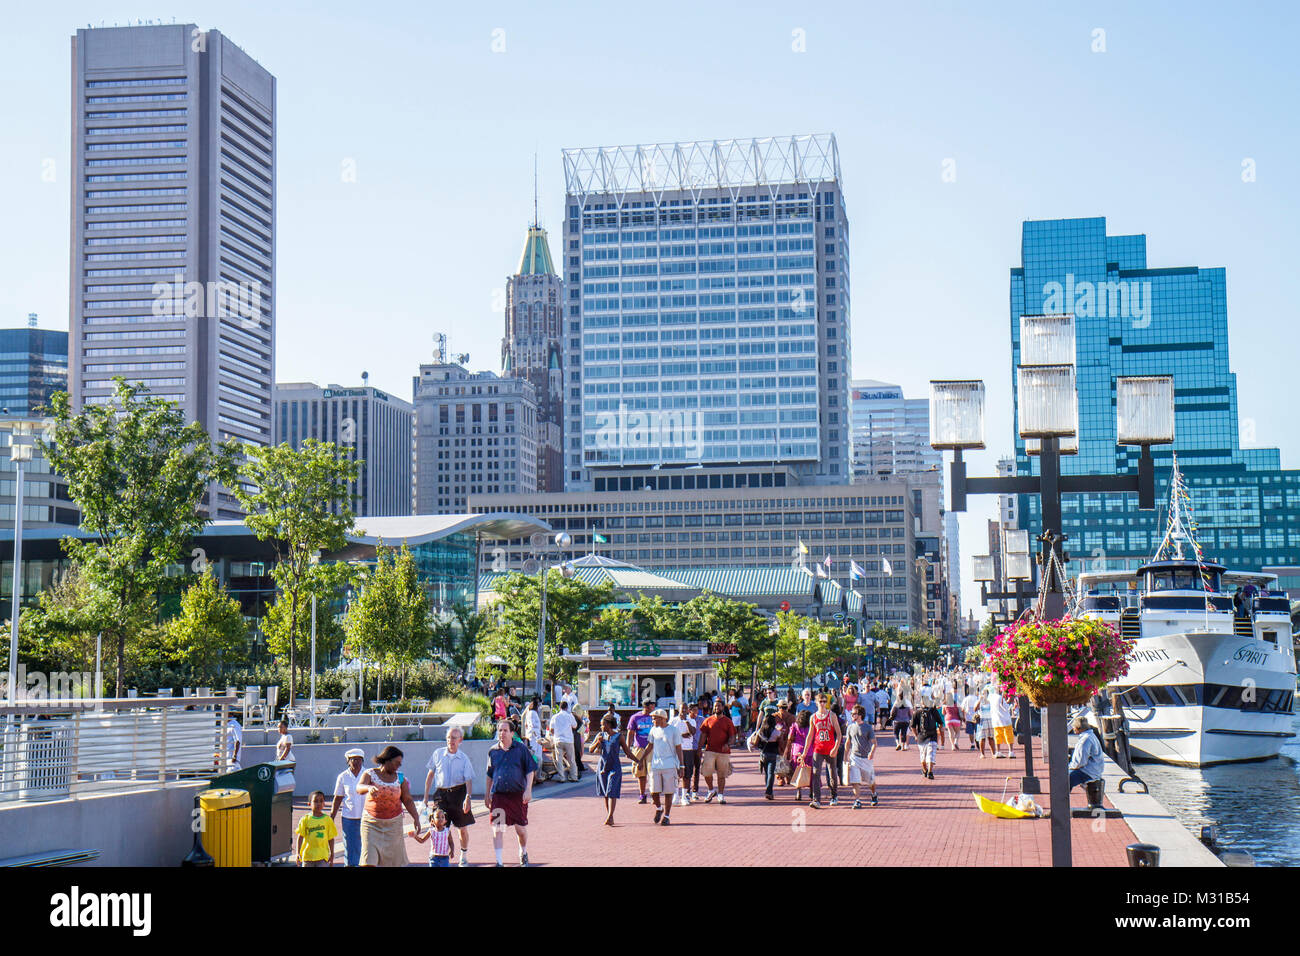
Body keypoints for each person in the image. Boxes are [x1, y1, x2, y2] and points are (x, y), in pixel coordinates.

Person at [356, 745, 422, 867]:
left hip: (393, 825)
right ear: (387, 759)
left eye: (400, 764)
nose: (398, 766)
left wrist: (416, 818)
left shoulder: (400, 778)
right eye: (396, 763)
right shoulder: (369, 773)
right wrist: (368, 787)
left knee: (393, 863)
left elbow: (407, 800)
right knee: (368, 860)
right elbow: (359, 788)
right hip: (371, 824)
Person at [484, 719, 537, 867]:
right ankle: (499, 861)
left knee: (520, 829)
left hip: (517, 795)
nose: (502, 733)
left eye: (505, 730)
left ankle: (523, 851)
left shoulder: (521, 749)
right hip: (499, 796)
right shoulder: (493, 751)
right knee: (498, 829)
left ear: (512, 733)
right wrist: (487, 794)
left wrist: (528, 790)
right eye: (500, 730)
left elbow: (530, 770)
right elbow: (489, 774)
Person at [422, 725, 476, 866]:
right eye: (448, 738)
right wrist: (425, 797)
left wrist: (468, 798)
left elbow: (468, 780)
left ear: (460, 740)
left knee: (462, 828)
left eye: (453, 738)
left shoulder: (464, 759)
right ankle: (437, 857)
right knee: (438, 826)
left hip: (459, 794)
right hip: (441, 795)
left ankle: (463, 855)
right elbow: (430, 775)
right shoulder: (437, 754)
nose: (450, 741)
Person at [589, 713, 638, 825]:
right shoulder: (600, 735)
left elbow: (627, 752)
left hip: (614, 766)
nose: (601, 727)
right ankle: (610, 815)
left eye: (603, 725)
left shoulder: (619, 737)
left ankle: (610, 815)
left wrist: (638, 761)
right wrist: (598, 742)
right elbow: (591, 750)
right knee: (606, 793)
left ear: (609, 724)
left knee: (612, 791)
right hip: (603, 766)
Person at [642, 708, 684, 825]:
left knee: (668, 792)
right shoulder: (653, 730)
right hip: (656, 765)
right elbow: (650, 746)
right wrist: (641, 760)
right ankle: (659, 808)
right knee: (653, 791)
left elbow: (679, 749)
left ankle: (666, 816)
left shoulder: (673, 730)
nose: (652, 720)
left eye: (654, 718)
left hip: (670, 765)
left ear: (662, 718)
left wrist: (682, 765)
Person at [330, 748, 366, 867]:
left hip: (366, 816)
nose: (356, 762)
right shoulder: (343, 776)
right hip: (349, 817)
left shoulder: (368, 775)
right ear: (348, 761)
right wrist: (332, 816)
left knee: (365, 845)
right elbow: (338, 798)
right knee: (350, 846)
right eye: (353, 759)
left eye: (359, 760)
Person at [807, 693, 841, 809]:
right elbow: (810, 735)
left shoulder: (832, 715)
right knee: (815, 773)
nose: (822, 703)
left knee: (832, 773)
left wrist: (835, 748)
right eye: (820, 701)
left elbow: (839, 734)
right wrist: (804, 752)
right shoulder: (813, 717)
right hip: (818, 748)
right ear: (816, 702)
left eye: (824, 701)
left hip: (830, 749)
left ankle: (834, 795)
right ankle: (816, 799)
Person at [699, 699, 736, 804]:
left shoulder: (728, 721)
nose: (717, 708)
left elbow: (733, 737)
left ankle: (720, 794)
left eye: (719, 706)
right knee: (706, 772)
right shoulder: (708, 720)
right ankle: (711, 790)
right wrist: (699, 748)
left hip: (723, 752)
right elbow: (703, 735)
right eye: (715, 706)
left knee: (721, 774)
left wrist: (727, 744)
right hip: (710, 750)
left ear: (722, 707)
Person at [844, 704, 878, 808]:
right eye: (851, 714)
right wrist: (846, 756)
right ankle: (857, 800)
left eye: (854, 714)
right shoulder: (850, 727)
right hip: (855, 757)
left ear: (860, 715)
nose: (852, 715)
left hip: (866, 758)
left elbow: (874, 743)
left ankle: (873, 794)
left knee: (870, 781)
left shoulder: (867, 727)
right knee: (855, 781)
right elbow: (848, 742)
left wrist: (871, 752)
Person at [624, 699, 656, 804]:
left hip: (653, 747)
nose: (653, 708)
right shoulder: (635, 717)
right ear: (645, 707)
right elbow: (630, 733)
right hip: (639, 747)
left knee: (653, 772)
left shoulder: (655, 717)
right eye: (651, 706)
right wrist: (627, 748)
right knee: (640, 772)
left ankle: (654, 794)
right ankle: (642, 795)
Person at [296, 790, 337, 867]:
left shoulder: (327, 820)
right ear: (309, 804)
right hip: (308, 856)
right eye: (315, 801)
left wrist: (332, 854)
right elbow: (300, 837)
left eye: (321, 801)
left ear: (324, 803)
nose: (318, 804)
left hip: (322, 856)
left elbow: (331, 838)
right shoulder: (305, 819)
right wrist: (298, 853)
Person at [669, 705, 697, 806]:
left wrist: (686, 721)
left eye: (686, 709)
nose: (684, 711)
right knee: (676, 774)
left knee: (687, 774)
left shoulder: (691, 720)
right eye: (682, 709)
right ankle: (676, 795)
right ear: (679, 710)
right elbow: (669, 734)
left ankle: (684, 796)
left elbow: (692, 732)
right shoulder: (673, 721)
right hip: (676, 750)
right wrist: (681, 735)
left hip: (687, 750)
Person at [1069, 714, 1105, 790]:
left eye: (1074, 727)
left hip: (1088, 772)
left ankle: (1062, 800)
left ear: (1078, 728)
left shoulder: (1085, 740)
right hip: (1095, 769)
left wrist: (1070, 767)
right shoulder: (1091, 735)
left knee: (1064, 780)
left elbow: (1081, 762)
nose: (1073, 728)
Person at [911, 695, 943, 779]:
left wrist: (915, 735)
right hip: (932, 735)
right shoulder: (933, 711)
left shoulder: (917, 712)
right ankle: (928, 771)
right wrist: (940, 730)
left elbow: (913, 726)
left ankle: (927, 771)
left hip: (921, 737)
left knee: (924, 756)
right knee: (931, 754)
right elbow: (940, 722)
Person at [753, 712, 784, 800]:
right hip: (773, 753)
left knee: (767, 773)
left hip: (764, 754)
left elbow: (755, 743)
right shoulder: (776, 732)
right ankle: (769, 791)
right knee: (771, 773)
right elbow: (780, 744)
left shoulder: (761, 731)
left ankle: (768, 789)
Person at [784, 709, 812, 801]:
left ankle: (798, 791)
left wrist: (787, 750)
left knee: (798, 771)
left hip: (797, 751)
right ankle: (812, 791)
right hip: (809, 751)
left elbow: (790, 738)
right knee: (811, 772)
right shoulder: (811, 726)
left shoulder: (795, 725)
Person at [548, 700, 579, 782]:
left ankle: (562, 777)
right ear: (567, 707)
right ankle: (574, 776)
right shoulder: (570, 716)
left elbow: (551, 729)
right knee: (571, 759)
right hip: (568, 740)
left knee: (559, 760)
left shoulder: (555, 717)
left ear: (560, 707)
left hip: (558, 740)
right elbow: (575, 726)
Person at [990, 685, 1016, 759]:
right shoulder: (999, 698)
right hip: (1005, 720)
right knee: (1009, 735)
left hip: (996, 720)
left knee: (998, 736)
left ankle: (998, 751)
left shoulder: (992, 697)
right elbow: (1005, 707)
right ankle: (1011, 751)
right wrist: (1010, 700)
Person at [976, 687, 996, 758]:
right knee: (982, 738)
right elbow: (975, 709)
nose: (984, 695)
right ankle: (982, 754)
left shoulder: (990, 701)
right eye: (983, 693)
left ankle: (994, 753)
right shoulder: (979, 701)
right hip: (982, 720)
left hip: (990, 720)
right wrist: (979, 701)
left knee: (991, 737)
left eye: (985, 693)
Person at [961, 686, 980, 751]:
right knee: (977, 731)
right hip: (976, 716)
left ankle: (972, 744)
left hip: (968, 717)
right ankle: (977, 740)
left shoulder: (966, 699)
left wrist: (963, 716)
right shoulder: (977, 698)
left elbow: (962, 708)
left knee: (970, 732)